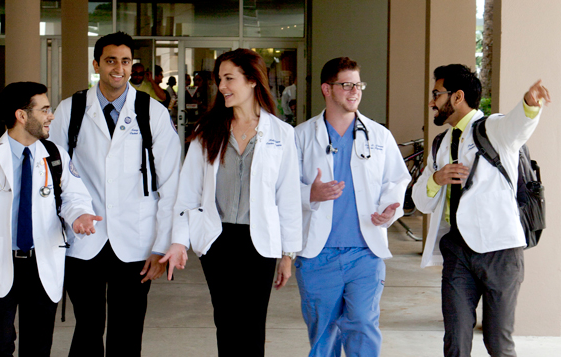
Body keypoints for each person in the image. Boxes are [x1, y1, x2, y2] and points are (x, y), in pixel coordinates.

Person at [0, 82, 101, 357]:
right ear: (22, 115)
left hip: (41, 263)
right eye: (45, 110)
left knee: (38, 348)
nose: (51, 116)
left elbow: (75, 198)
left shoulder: (55, 156)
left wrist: (80, 217)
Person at [160, 48, 302, 356]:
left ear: (251, 80)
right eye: (219, 79)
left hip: (259, 241)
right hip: (218, 240)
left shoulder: (282, 134)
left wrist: (288, 254)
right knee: (226, 323)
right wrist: (178, 242)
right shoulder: (207, 131)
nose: (222, 86)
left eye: (229, 78)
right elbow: (187, 193)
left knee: (252, 327)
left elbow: (287, 197)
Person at [49, 31, 181, 356]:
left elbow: (172, 184)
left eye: (125, 61)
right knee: (88, 326)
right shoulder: (71, 109)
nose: (118, 68)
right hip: (84, 239)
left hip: (137, 241)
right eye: (110, 61)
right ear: (97, 64)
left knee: (128, 328)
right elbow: (53, 174)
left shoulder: (153, 113)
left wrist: (163, 245)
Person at [412, 64, 550, 357]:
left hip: (500, 252)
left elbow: (516, 126)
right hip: (458, 251)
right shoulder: (441, 143)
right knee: (456, 342)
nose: (431, 102)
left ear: (457, 96)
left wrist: (528, 105)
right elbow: (421, 202)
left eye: (436, 94)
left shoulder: (492, 129)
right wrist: (437, 179)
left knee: (498, 343)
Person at [294, 57, 410, 357]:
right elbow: (280, 189)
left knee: (364, 327)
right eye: (346, 85)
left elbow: (396, 180)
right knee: (323, 335)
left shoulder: (380, 136)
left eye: (358, 85)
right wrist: (311, 193)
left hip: (365, 253)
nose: (354, 91)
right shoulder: (301, 136)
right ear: (326, 89)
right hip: (317, 255)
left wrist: (389, 210)